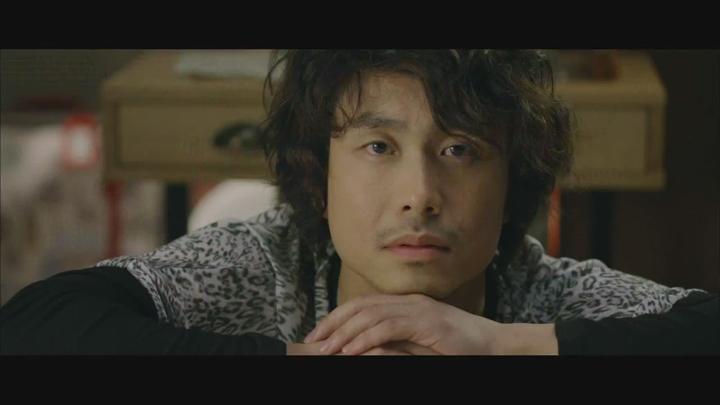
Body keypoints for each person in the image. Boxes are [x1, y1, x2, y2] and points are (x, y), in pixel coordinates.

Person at [0, 50, 715, 355]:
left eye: (460, 150)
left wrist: (498, 343)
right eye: (378, 146)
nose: (420, 197)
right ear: (320, 176)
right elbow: (34, 326)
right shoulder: (263, 262)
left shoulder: (537, 287)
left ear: (511, 187)